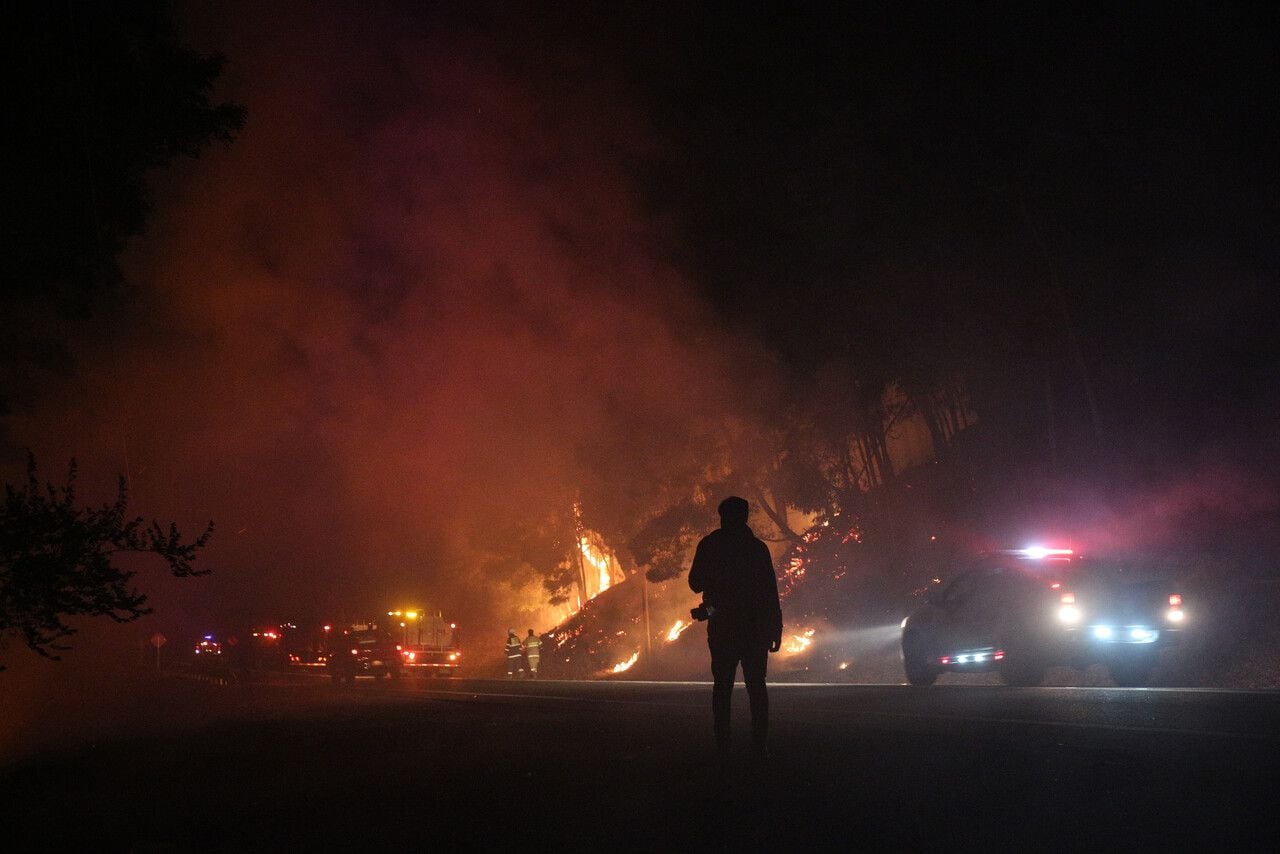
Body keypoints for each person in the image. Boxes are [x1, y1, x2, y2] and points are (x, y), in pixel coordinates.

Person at [688, 496, 783, 757]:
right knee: (756, 686)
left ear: (723, 517)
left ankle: (723, 745)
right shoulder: (757, 549)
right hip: (753, 628)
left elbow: (695, 583)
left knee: (723, 686)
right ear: (745, 518)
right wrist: (775, 628)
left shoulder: (710, 546)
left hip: (724, 627)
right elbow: (769, 592)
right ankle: (758, 746)